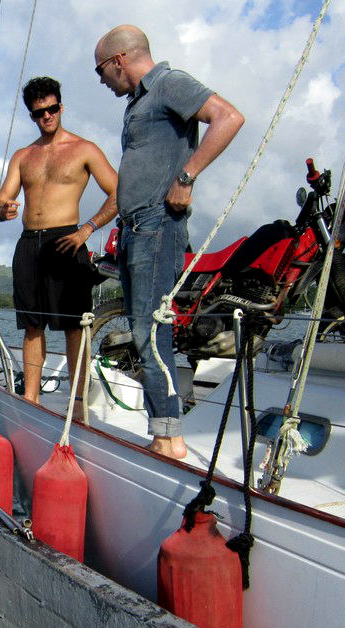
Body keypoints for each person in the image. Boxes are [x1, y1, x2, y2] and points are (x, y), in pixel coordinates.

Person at [94, 26, 243, 459]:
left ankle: (168, 438)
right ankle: (166, 432)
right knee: (145, 328)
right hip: (136, 228)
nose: (102, 82)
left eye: (101, 71)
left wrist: (186, 176)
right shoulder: (139, 100)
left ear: (119, 59)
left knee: (149, 328)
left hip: (158, 226)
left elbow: (228, 117)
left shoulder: (167, 83)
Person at [0, 76, 118, 412]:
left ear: (60, 106)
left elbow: (119, 193)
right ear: (32, 115)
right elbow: (1, 199)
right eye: (38, 113)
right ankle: (31, 398)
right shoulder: (23, 156)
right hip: (28, 246)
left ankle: (77, 403)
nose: (46, 116)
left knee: (74, 327)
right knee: (33, 325)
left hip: (67, 240)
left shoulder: (84, 149)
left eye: (51, 109)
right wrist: (2, 209)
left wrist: (88, 228)